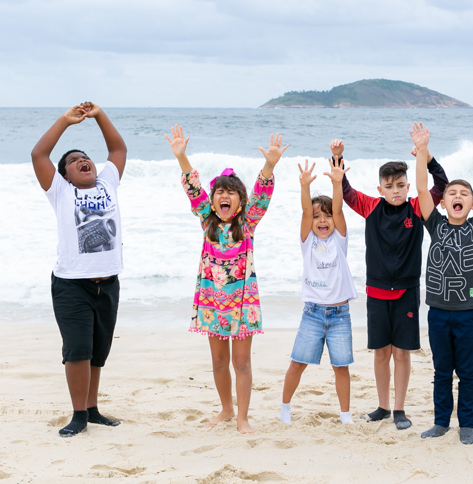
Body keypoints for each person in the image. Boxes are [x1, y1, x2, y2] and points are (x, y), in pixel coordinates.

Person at [165, 124, 286, 434]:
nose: (224, 195)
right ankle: (227, 409)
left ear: (240, 202)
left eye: (231, 192)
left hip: (243, 302)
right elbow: (194, 190)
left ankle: (243, 417)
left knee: (241, 362)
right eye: (219, 191)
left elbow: (262, 196)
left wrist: (269, 166)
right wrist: (182, 158)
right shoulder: (207, 220)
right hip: (211, 302)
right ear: (213, 200)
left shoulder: (247, 224)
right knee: (219, 362)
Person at [331, 124, 449, 430]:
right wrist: (338, 158)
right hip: (377, 291)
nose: (395, 191)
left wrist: (426, 155)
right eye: (389, 186)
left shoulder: (417, 209)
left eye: (400, 185)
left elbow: (442, 185)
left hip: (407, 291)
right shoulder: (371, 207)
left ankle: (399, 409)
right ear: (380, 189)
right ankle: (383, 406)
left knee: (402, 353)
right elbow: (346, 192)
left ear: (408, 187)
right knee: (381, 352)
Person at [31, 102, 127, 438]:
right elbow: (39, 155)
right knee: (77, 351)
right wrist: (65, 121)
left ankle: (92, 409)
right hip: (72, 285)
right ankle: (78, 415)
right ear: (65, 175)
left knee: (97, 353)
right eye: (72, 161)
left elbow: (117, 149)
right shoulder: (60, 191)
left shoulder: (107, 183)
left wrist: (100, 116)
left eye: (84, 157)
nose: (81, 160)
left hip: (108, 283)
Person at [416, 125, 473, 445]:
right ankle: (441, 422)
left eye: (464, 193)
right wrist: (421, 151)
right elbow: (422, 188)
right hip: (438, 311)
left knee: (467, 372)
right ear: (442, 203)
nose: (457, 196)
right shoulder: (435, 224)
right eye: (452, 193)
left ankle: (467, 424)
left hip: (468, 312)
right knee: (441, 371)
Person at [280, 158, 358, 425]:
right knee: (297, 363)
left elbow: (339, 210)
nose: (322, 220)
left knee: (341, 367)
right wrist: (304, 187)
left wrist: (337, 183)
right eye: (317, 216)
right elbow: (305, 212)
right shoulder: (308, 241)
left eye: (326, 216)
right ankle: (285, 408)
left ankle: (345, 415)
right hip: (312, 313)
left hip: (340, 315)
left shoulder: (339, 239)